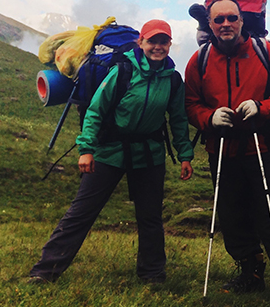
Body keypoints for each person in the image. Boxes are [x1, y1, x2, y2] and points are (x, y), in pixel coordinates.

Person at [29, 19, 194, 284]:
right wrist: (86, 149)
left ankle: (153, 275)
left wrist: (185, 154)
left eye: (163, 42)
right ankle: (44, 272)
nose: (158, 47)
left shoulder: (172, 79)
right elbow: (96, 110)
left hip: (149, 154)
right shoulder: (122, 70)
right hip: (109, 149)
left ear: (170, 44)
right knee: (82, 212)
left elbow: (178, 119)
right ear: (141, 42)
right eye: (152, 41)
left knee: (150, 216)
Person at [184, 0, 270, 307]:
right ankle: (250, 271)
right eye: (219, 20)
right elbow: (190, 104)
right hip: (222, 147)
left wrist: (262, 108)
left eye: (231, 18)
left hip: (261, 145)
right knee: (232, 213)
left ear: (242, 20)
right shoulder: (199, 60)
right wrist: (208, 117)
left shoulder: (264, 52)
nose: (226, 24)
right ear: (210, 25)